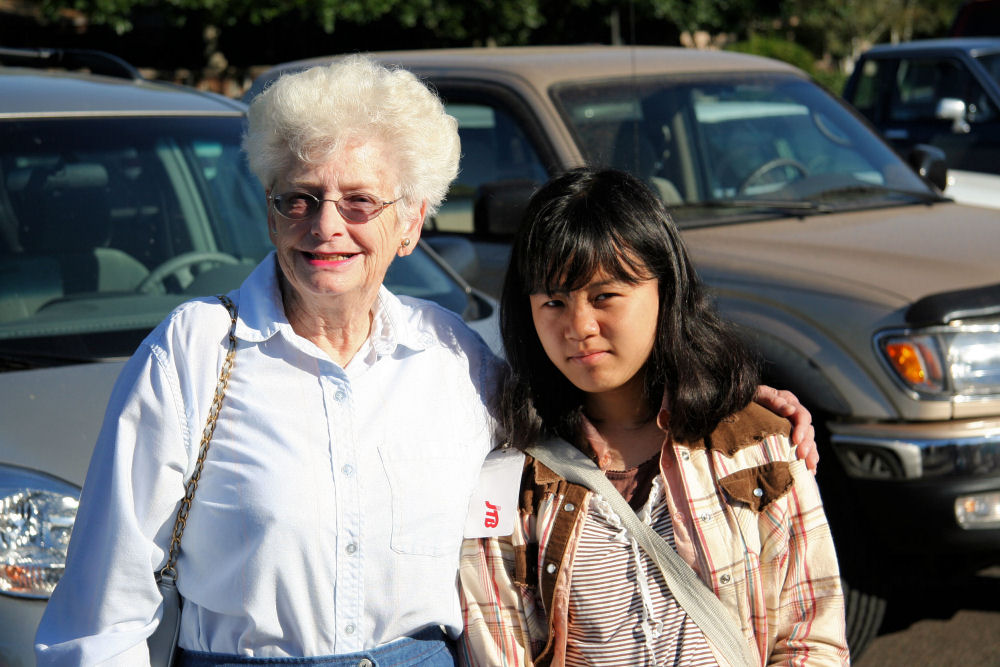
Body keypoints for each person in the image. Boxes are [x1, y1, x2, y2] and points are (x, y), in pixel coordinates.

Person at [35, 58, 817, 665]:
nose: (324, 226)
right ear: (270, 210)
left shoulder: (456, 360)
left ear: (410, 223)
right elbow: (104, 610)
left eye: (359, 201)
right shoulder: (196, 353)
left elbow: (588, 399)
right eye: (297, 197)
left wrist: (738, 410)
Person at [458, 168, 849, 666]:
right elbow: (497, 647)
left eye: (604, 296)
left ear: (666, 290)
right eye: (553, 301)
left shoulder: (758, 446)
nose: (579, 326)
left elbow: (811, 638)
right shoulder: (511, 477)